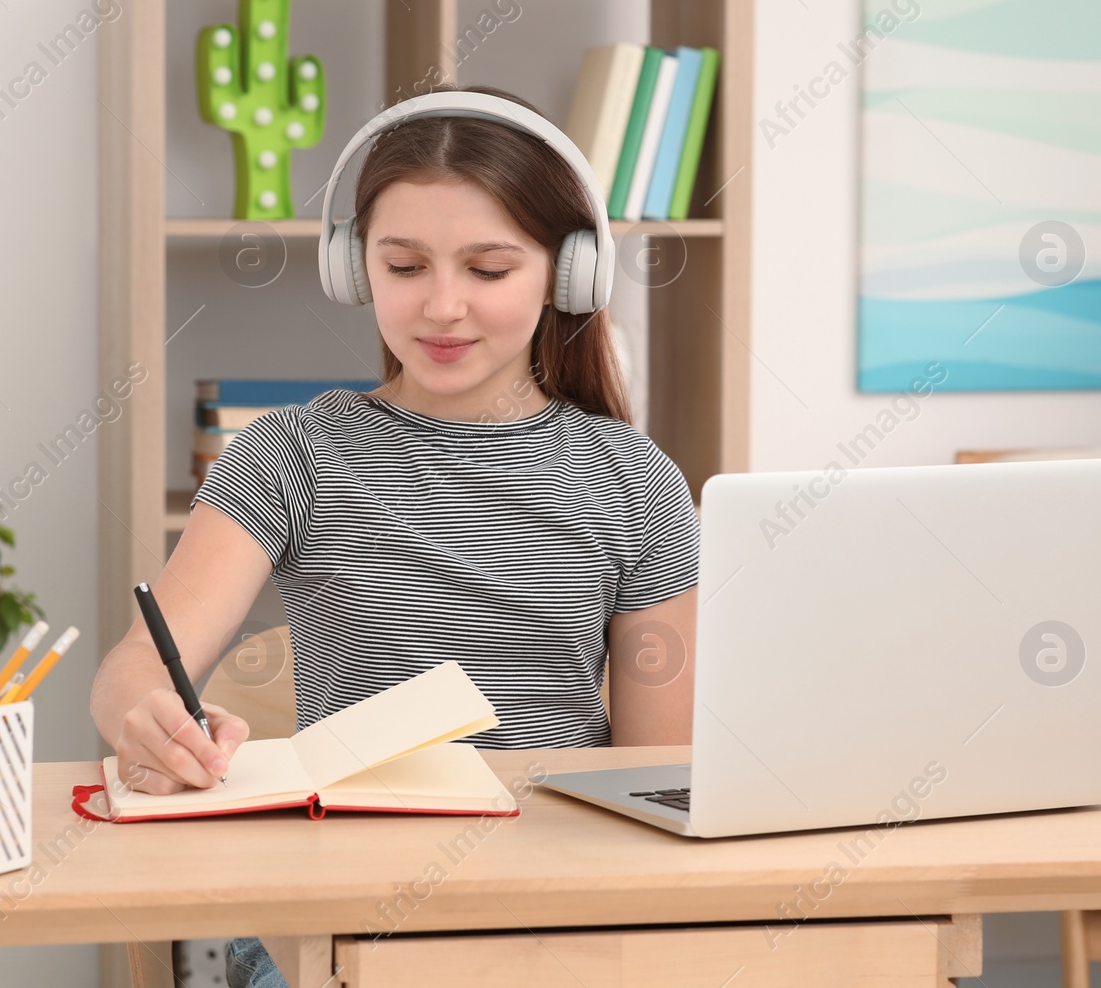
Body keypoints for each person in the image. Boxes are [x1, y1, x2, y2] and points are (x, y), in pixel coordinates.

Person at [89, 82, 700, 988]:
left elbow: (660, 774)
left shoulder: (633, 479)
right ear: (353, 267)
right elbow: (135, 668)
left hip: (558, 923)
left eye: (488, 271)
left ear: (565, 276)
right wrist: (147, 718)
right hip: (339, 922)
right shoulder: (291, 454)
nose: (442, 307)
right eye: (405, 267)